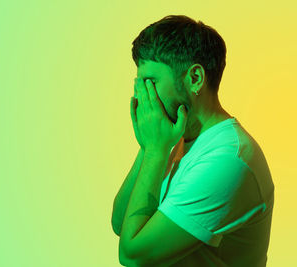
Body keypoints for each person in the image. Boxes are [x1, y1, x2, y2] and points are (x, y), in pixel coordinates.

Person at [111, 14, 274, 266]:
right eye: (138, 83)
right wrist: (148, 148)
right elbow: (121, 222)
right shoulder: (172, 141)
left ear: (195, 78)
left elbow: (133, 255)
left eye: (150, 82)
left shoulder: (228, 159)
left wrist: (155, 150)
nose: (141, 96)